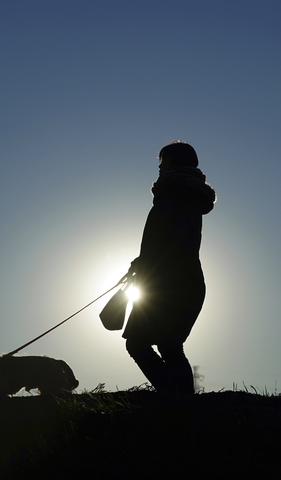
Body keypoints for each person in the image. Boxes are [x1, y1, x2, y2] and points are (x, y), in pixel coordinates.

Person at [122, 141, 216, 394]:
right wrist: (143, 261)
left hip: (167, 281)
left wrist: (146, 262)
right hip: (184, 279)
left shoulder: (175, 191)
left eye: (162, 161)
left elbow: (168, 237)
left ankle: (174, 398)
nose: (160, 167)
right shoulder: (185, 193)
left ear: (172, 162)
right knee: (169, 345)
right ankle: (178, 400)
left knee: (144, 344)